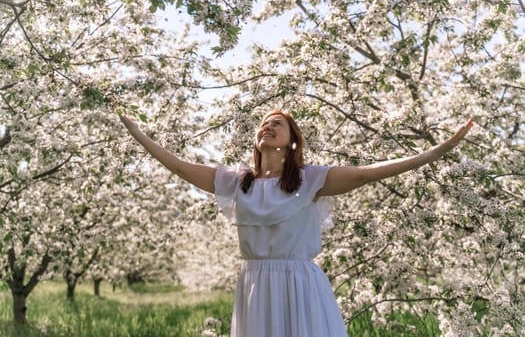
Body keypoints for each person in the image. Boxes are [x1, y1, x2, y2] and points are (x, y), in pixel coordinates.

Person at [120, 110, 473, 337]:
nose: (267, 127)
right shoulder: (236, 180)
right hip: (256, 284)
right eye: (263, 124)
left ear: (292, 141)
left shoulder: (310, 179)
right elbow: (180, 167)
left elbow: (368, 174)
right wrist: (138, 134)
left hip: (299, 283)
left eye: (277, 124)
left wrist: (436, 152)